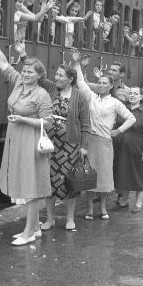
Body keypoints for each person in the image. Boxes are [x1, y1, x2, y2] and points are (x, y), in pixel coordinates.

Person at [0, 25, 53, 246]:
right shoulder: (19, 82)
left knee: (31, 186)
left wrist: (23, 120)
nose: (26, 74)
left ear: (40, 75)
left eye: (31, 72)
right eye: (25, 71)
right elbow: (2, 63)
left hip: (30, 141)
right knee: (24, 182)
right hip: (16, 138)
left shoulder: (42, 94)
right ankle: (36, 228)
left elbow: (48, 121)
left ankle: (29, 232)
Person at [70, 49, 136, 220]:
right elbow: (81, 82)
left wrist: (118, 131)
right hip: (90, 141)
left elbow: (131, 118)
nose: (101, 85)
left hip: (105, 142)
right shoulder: (91, 97)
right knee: (90, 176)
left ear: (111, 85)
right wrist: (77, 64)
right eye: (99, 82)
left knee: (104, 176)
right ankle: (90, 209)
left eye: (104, 82)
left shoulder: (115, 102)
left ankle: (104, 208)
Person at [40, 64, 91, 231]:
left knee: (70, 182)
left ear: (70, 79)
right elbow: (39, 77)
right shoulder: (52, 89)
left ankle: (70, 219)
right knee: (49, 181)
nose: (56, 78)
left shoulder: (80, 96)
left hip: (70, 146)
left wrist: (84, 147)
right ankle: (50, 219)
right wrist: (23, 55)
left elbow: (85, 123)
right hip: (49, 144)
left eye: (60, 75)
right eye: (56, 74)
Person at [113, 87, 143, 213]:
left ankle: (138, 203)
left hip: (137, 148)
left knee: (138, 175)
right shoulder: (123, 111)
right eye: (130, 93)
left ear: (141, 97)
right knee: (123, 174)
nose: (132, 95)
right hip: (120, 148)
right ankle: (124, 200)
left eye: (136, 94)